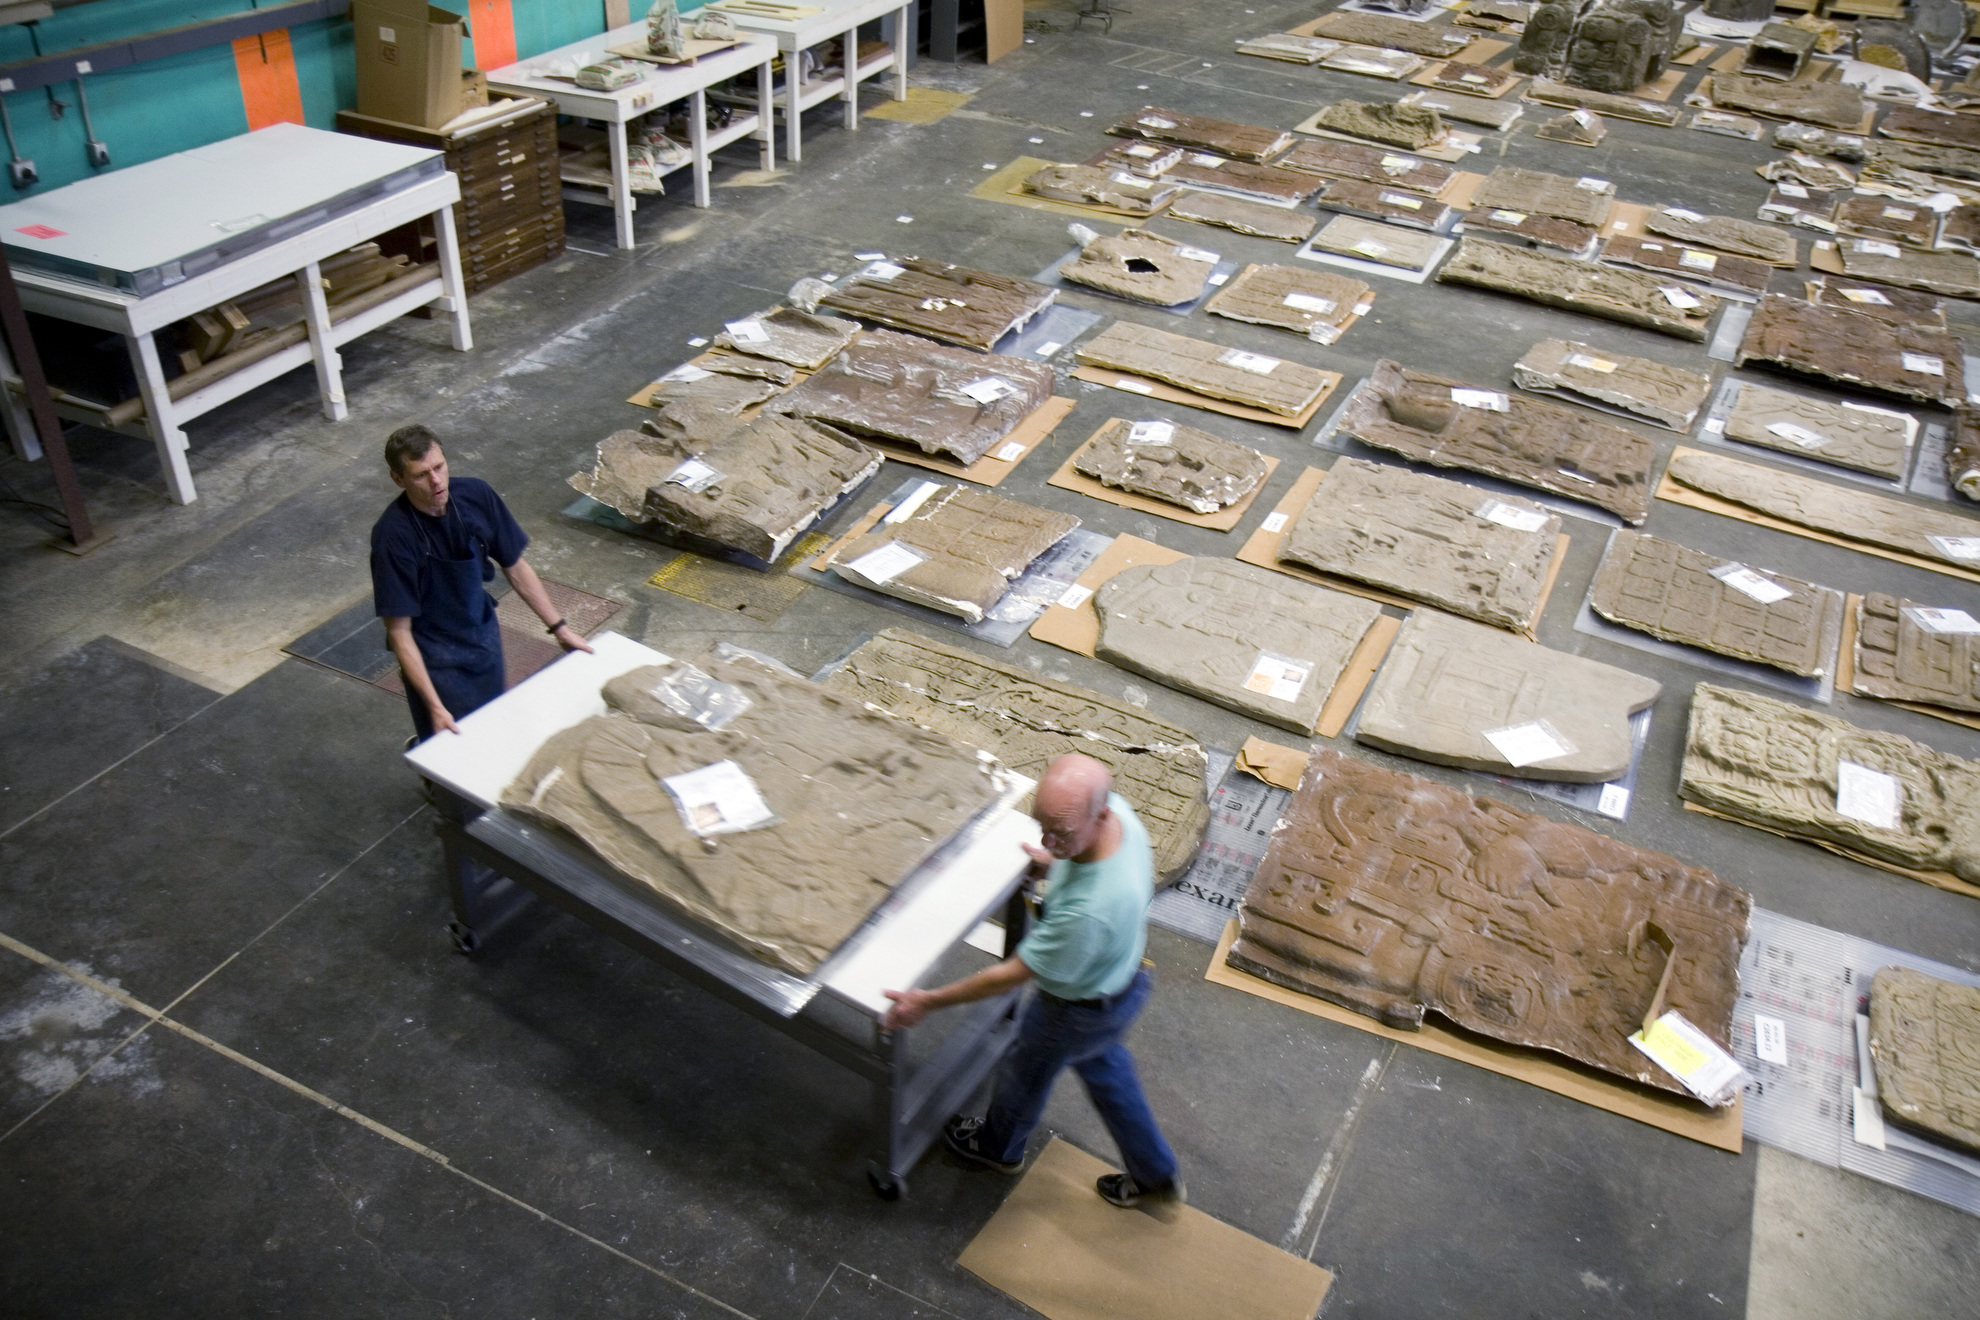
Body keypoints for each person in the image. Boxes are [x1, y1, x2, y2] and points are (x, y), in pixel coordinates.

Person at [881, 753, 1183, 1213]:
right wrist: (1056, 860)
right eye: (1043, 827)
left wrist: (927, 1001)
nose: (1046, 840)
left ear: (1099, 815)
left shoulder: (1089, 913)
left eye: (1059, 833)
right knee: (1106, 1069)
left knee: (1025, 1072)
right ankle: (1157, 1175)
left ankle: (997, 1148)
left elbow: (1010, 975)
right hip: (1121, 981)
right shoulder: (1117, 817)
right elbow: (1084, 860)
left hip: (1075, 1007)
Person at [369, 424, 592, 741]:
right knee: (450, 746)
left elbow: (515, 566)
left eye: (439, 467)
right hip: (434, 658)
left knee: (493, 728)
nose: (436, 481)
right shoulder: (393, 537)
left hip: (482, 638)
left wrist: (560, 629)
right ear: (398, 479)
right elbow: (399, 632)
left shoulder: (476, 496)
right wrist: (435, 707)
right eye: (421, 475)